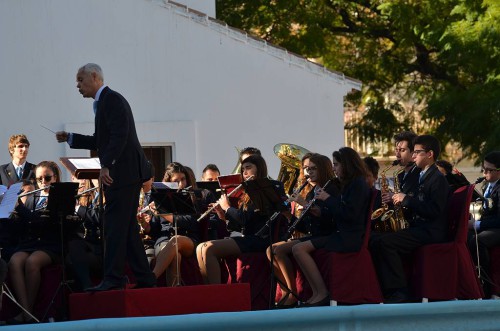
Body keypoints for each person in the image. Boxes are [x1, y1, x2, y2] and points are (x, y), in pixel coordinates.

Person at [55, 63, 155, 291]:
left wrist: (106, 165)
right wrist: (70, 138)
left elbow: (120, 135)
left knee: (114, 226)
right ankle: (145, 279)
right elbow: (100, 140)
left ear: (94, 77)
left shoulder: (112, 100)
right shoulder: (103, 103)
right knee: (126, 228)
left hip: (124, 173)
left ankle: (114, 279)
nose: (77, 85)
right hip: (125, 173)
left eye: (80, 80)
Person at [370, 135, 450, 303]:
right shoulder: (423, 176)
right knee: (375, 240)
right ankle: (383, 288)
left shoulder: (437, 179)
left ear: (430, 154)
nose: (413, 156)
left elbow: (434, 210)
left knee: (387, 243)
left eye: (417, 152)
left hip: (430, 231)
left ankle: (399, 290)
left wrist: (406, 199)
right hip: (420, 228)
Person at [292, 147, 371, 307]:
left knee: (299, 249)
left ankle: (322, 293)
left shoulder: (357, 184)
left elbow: (350, 214)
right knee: (295, 248)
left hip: (349, 238)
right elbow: (339, 213)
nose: (333, 168)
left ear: (346, 165)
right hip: (342, 234)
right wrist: (318, 211)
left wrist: (327, 199)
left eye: (336, 164)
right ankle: (316, 292)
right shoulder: (349, 184)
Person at [197, 154, 287, 284]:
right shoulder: (246, 192)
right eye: (243, 169)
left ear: (259, 168)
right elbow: (242, 225)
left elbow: (244, 219)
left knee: (209, 248)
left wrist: (227, 208)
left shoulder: (264, 190)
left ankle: (216, 293)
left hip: (261, 239)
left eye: (248, 168)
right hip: (250, 237)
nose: (244, 172)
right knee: (201, 247)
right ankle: (209, 290)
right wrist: (223, 216)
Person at [267, 153, 338, 308]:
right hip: (316, 234)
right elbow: (306, 227)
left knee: (298, 248)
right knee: (273, 250)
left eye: (313, 168)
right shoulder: (312, 192)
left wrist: (305, 205)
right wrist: (288, 215)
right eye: (306, 168)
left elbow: (329, 218)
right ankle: (290, 293)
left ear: (323, 169)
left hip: (330, 235)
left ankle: (321, 293)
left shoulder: (332, 188)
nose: (309, 172)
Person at [140, 162, 214, 285]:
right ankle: (173, 295)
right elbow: (153, 229)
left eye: (183, 179)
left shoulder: (193, 196)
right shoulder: (159, 197)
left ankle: (151, 278)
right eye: (176, 180)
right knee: (175, 256)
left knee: (176, 240)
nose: (180, 184)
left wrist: (163, 214)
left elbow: (192, 222)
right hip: (163, 238)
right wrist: (144, 224)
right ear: (168, 182)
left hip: (188, 238)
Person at [8, 161, 63, 324]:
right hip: (31, 243)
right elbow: (26, 224)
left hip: (49, 243)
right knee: (14, 262)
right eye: (40, 179)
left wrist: (20, 209)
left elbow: (42, 222)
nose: (43, 183)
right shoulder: (32, 197)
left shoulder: (59, 197)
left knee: (32, 263)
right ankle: (26, 310)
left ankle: (28, 311)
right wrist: (9, 208)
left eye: (47, 178)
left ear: (55, 178)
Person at [468, 151, 500, 298]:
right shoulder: (488, 185)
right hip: (492, 226)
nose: (485, 172)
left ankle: (487, 285)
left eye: (489, 170)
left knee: (477, 240)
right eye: (484, 169)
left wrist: (477, 224)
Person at [66, 178, 103, 292]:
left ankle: (86, 288)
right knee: (72, 248)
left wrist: (78, 209)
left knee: (73, 258)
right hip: (87, 245)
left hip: (104, 247)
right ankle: (85, 289)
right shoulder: (86, 196)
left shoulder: (109, 194)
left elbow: (103, 217)